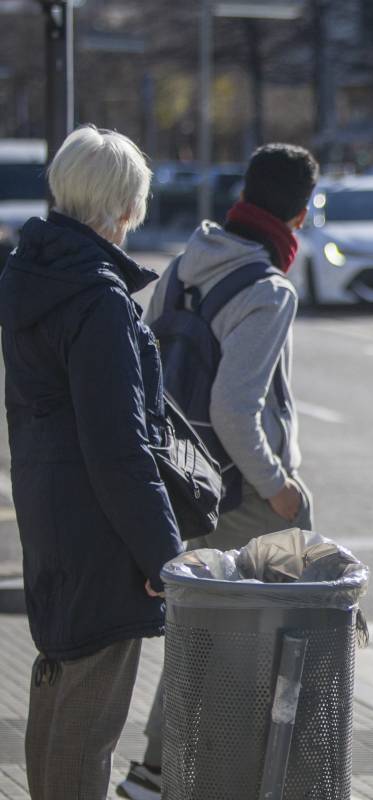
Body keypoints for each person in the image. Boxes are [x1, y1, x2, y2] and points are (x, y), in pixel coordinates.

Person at [118, 142, 319, 799]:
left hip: (182, 480)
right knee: (264, 647)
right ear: (300, 214)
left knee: (199, 632)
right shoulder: (265, 290)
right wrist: (280, 489)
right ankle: (237, 775)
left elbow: (148, 374)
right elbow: (236, 410)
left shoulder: (183, 266)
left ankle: (154, 771)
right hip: (239, 491)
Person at [0, 125, 184, 799]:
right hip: (101, 526)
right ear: (125, 206)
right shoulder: (99, 299)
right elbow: (120, 443)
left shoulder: (32, 276)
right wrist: (162, 555)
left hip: (50, 512)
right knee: (90, 713)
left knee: (57, 680)